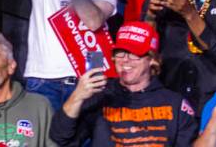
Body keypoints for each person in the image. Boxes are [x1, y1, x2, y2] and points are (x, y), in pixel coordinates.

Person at [49, 21, 198, 146]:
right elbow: (59, 137)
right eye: (120, 53)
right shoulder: (100, 96)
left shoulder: (175, 104)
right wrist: (77, 97)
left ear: (152, 59)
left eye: (134, 54)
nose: (125, 60)